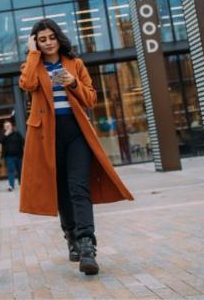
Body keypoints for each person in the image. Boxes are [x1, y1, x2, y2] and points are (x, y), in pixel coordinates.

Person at [19, 18, 134, 276]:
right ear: (35, 42)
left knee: (79, 187)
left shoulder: (75, 64)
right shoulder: (33, 64)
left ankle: (86, 246)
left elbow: (91, 99)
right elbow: (26, 84)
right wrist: (32, 54)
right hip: (47, 135)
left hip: (76, 132)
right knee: (60, 189)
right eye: (41, 39)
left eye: (51, 37)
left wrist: (72, 82)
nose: (48, 43)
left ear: (58, 38)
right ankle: (70, 234)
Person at [0, 120, 24, 191]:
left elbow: (23, 141)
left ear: (11, 126)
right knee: (11, 171)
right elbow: (0, 141)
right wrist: (6, 134)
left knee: (20, 170)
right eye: (6, 126)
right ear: (4, 128)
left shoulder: (17, 133)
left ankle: (22, 184)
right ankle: (11, 186)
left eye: (9, 126)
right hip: (9, 157)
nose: (8, 127)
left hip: (18, 155)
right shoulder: (3, 135)